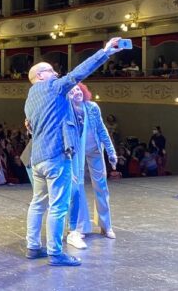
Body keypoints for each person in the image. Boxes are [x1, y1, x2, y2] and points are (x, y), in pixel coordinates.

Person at [24, 37, 125, 267]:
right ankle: (55, 253)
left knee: (38, 203)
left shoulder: (30, 99)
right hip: (56, 156)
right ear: (40, 76)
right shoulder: (52, 87)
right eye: (51, 71)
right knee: (59, 206)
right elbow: (78, 74)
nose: (55, 73)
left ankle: (33, 246)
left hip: (37, 158)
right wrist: (105, 52)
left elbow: (32, 126)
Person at [66, 83, 118, 251]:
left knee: (101, 186)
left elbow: (102, 130)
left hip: (95, 149)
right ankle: (80, 227)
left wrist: (111, 152)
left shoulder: (92, 107)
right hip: (77, 151)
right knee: (78, 187)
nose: (77, 92)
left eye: (78, 89)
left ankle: (106, 225)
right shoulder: (67, 111)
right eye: (72, 90)